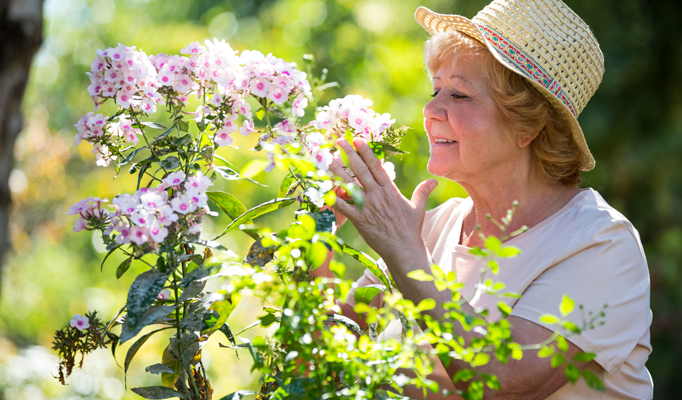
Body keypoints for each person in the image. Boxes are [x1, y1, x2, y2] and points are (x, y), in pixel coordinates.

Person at [316, 0, 654, 399]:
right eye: (435, 89)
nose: (430, 110)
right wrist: (318, 231)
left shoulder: (601, 244)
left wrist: (404, 252)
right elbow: (326, 356)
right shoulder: (431, 226)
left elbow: (501, 381)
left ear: (527, 125)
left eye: (459, 95)